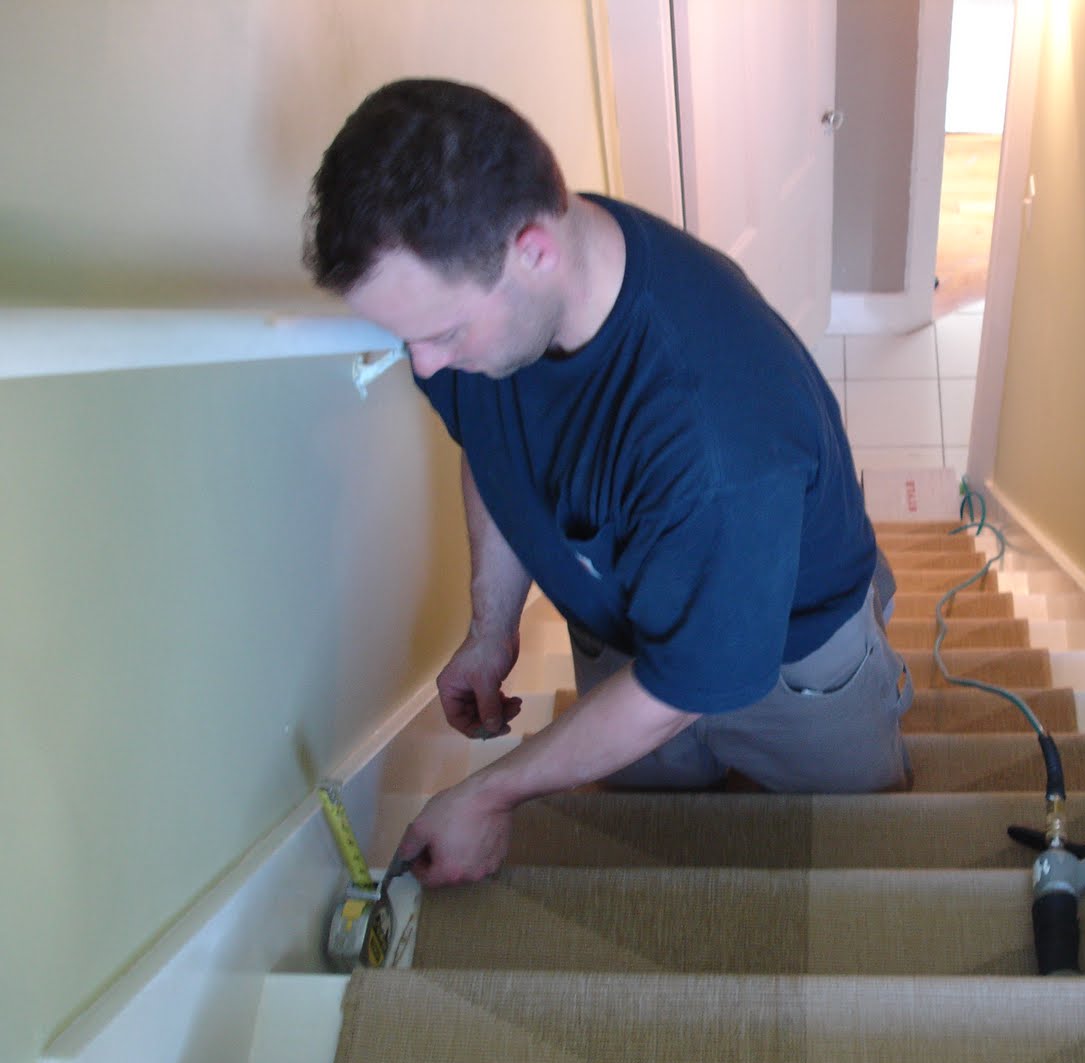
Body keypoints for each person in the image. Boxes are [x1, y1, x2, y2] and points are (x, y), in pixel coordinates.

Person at [305, 78, 911, 887]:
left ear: (534, 249)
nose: (423, 365)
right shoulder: (508, 302)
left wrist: (490, 796)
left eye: (442, 332)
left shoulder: (715, 440)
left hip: (793, 672)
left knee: (864, 859)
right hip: (623, 635)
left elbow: (682, 685)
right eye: (406, 337)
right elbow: (493, 444)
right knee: (660, 853)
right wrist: (493, 626)